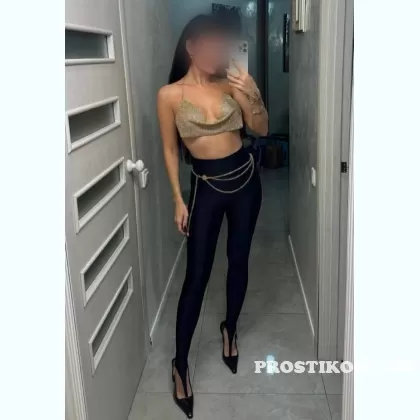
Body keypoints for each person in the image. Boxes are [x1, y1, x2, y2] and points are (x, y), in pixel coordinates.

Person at [157, 14, 268, 418]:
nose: (216, 50)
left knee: (238, 261)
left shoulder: (231, 83)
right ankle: (180, 365)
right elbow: (171, 149)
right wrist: (177, 198)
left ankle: (230, 330)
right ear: (191, 47)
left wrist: (251, 91)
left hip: (246, 183)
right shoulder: (170, 94)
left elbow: (261, 128)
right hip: (206, 188)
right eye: (208, 43)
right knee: (197, 276)